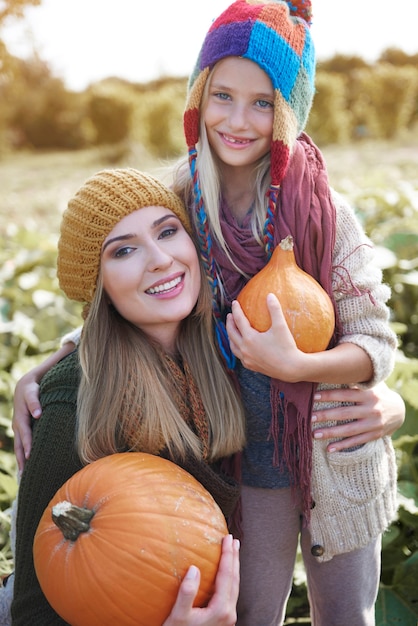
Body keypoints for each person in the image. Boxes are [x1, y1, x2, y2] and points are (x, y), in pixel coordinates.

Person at [10, 1, 404, 624]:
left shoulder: (328, 216)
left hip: (336, 446)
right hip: (243, 454)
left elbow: (377, 346)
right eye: (223, 95)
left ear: (288, 114)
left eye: (263, 102)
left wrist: (302, 366)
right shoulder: (182, 204)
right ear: (199, 97)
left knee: (348, 615)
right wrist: (52, 367)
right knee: (250, 611)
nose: (239, 120)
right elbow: (135, 293)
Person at [10, 168, 246, 625]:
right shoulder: (74, 398)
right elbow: (33, 611)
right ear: (100, 288)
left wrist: (385, 401)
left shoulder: (222, 344)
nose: (159, 259)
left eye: (168, 231)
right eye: (124, 250)